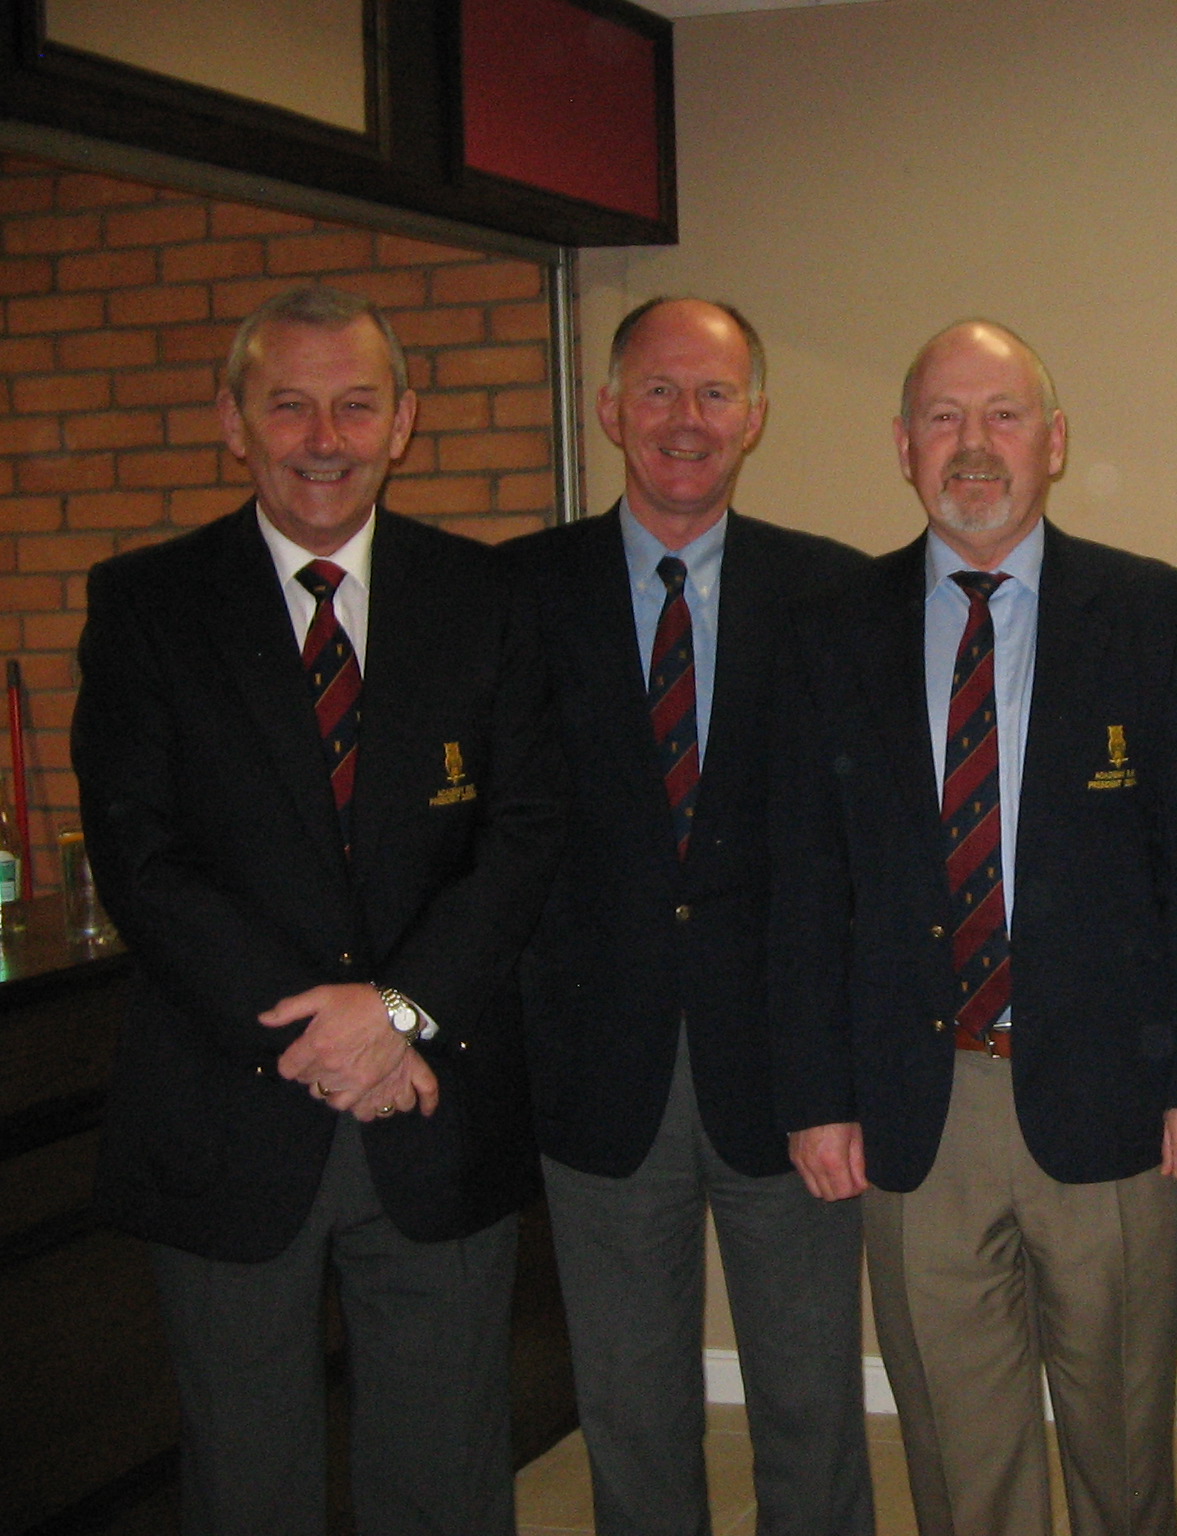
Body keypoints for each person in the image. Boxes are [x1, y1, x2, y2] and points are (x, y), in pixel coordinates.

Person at [71, 284, 564, 1535]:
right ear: (232, 422)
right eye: (288, 405)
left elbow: (521, 837)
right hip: (228, 1113)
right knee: (248, 1488)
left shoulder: (486, 597)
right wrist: (327, 1031)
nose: (324, 438)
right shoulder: (147, 605)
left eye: (355, 404)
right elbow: (141, 857)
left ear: (404, 420)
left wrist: (395, 1014)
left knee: (445, 1483)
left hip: (433, 1105)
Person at [770, 319, 1177, 1536]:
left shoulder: (1154, 612)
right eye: (943, 419)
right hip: (916, 1104)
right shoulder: (832, 627)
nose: (972, 444)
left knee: (1121, 1452)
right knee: (958, 1458)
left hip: (1112, 1097)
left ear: (1053, 441)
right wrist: (815, 1096)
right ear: (902, 446)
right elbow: (804, 884)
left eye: (1001, 415)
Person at [510, 296, 873, 1536]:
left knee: (811, 1403)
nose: (685, 419)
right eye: (658, 391)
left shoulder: (834, 592)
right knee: (629, 1407)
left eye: (714, 394)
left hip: (788, 1069)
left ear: (753, 418)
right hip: (592, 1066)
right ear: (610, 409)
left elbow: (865, 845)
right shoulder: (517, 592)